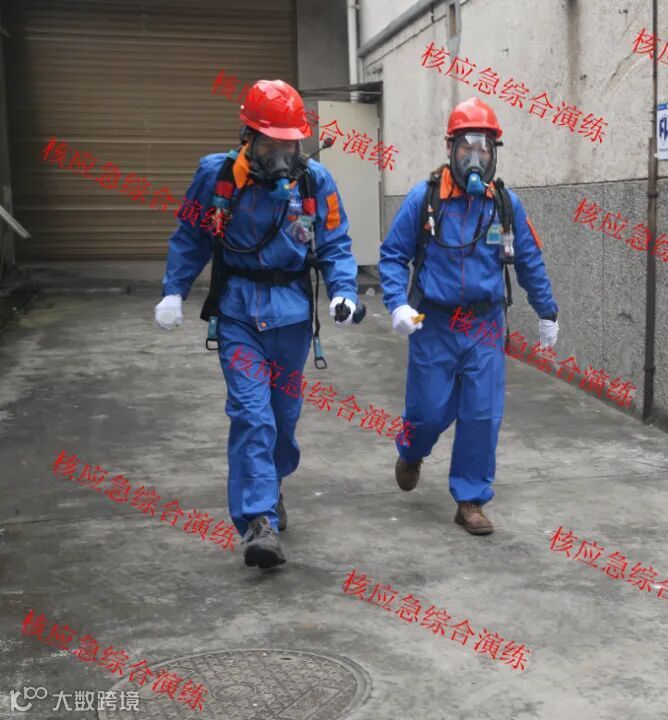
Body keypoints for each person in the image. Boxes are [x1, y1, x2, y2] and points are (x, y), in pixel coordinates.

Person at [154, 79, 362, 569]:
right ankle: (258, 522)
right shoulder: (216, 177)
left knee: (283, 420)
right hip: (239, 314)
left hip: (292, 317)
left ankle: (273, 483)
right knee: (252, 414)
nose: (284, 155)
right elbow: (191, 235)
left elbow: (335, 242)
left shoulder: (314, 182)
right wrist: (173, 289)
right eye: (273, 144)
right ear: (248, 136)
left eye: (292, 144)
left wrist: (345, 291)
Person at [378, 97, 559, 535]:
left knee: (481, 414)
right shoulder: (424, 200)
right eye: (466, 148)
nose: (475, 158)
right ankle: (411, 451)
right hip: (434, 323)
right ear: (450, 149)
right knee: (427, 411)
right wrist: (397, 303)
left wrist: (547, 311)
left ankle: (470, 499)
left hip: (484, 325)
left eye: (484, 148)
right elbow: (393, 255)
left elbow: (529, 260)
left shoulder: (504, 205)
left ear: (494, 153)